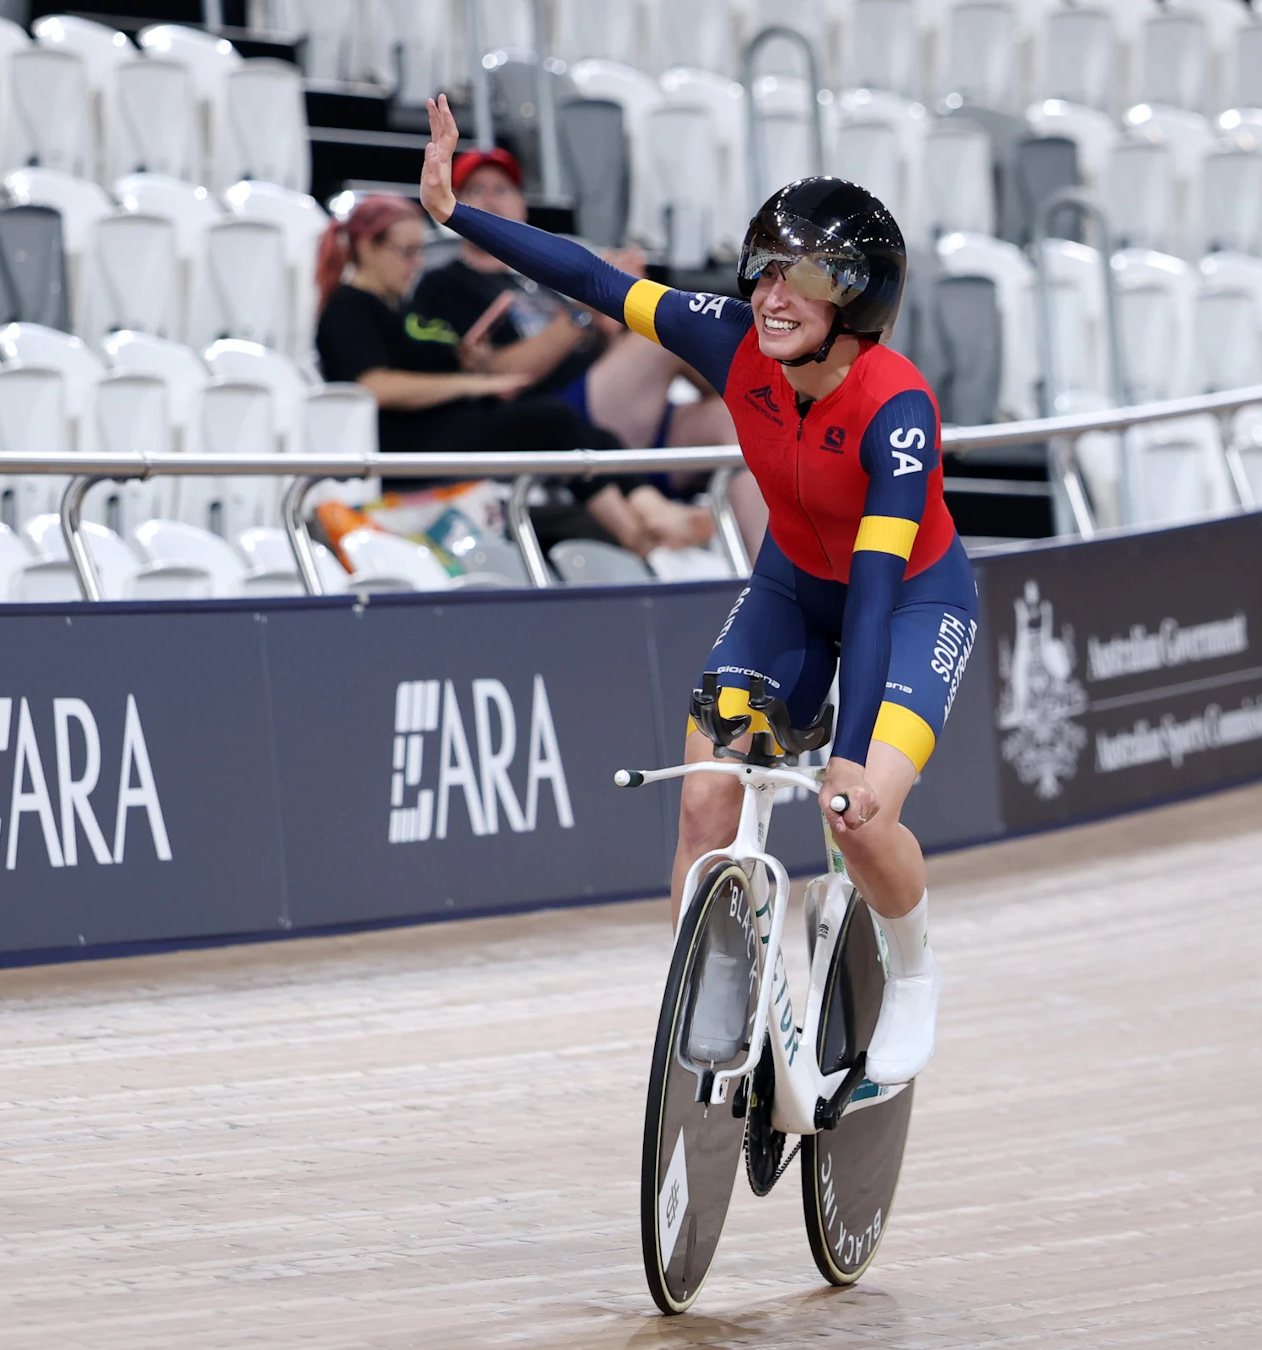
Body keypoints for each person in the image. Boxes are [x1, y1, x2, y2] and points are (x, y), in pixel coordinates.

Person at [419, 97, 977, 1085]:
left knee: (862, 818)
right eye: (763, 266)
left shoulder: (897, 411)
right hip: (793, 588)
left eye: (802, 278)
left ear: (857, 304)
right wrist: (457, 213)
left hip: (909, 602)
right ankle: (714, 995)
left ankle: (918, 971)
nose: (769, 293)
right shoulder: (728, 338)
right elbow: (596, 279)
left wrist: (849, 759)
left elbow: (880, 590)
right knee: (702, 800)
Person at [311, 193, 706, 556]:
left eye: (419, 251)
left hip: (446, 423)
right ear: (367, 247)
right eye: (407, 251)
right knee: (552, 421)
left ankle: (650, 510)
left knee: (593, 432)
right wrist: (474, 383)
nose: (416, 263)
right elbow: (373, 385)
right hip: (410, 440)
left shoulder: (399, 310)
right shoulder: (349, 307)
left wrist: (468, 360)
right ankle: (635, 533)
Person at [415, 146, 737, 454]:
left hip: (615, 402)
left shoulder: (541, 273)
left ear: (522, 203)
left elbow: (605, 348)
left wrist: (611, 324)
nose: (490, 200)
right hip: (547, 416)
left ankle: (755, 408)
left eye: (502, 189)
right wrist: (590, 306)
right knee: (663, 328)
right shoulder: (445, 282)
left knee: (728, 421)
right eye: (475, 190)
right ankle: (751, 391)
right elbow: (501, 377)